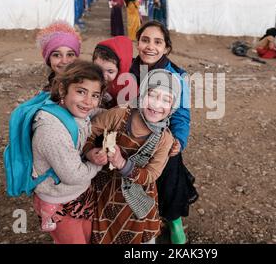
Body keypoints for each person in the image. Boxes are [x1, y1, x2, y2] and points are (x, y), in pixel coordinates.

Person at [85, 69, 180, 244]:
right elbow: (88, 131)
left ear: (173, 107)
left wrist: (122, 164)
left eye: (166, 100)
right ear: (142, 94)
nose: (157, 105)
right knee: (101, 235)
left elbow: (151, 174)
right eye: (152, 95)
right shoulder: (120, 114)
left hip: (137, 196)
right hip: (104, 191)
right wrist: (90, 152)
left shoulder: (165, 139)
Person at [130, 20, 198, 244]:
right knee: (134, 182)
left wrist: (178, 140)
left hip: (162, 140)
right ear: (138, 43)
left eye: (157, 42)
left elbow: (181, 114)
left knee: (169, 181)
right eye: (145, 40)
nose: (150, 46)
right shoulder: (128, 70)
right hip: (131, 138)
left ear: (166, 48)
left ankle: (174, 222)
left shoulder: (177, 75)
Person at [31, 60, 108, 244]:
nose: (88, 101)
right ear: (63, 89)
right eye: (81, 91)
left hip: (79, 194)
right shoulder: (51, 131)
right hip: (58, 200)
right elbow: (74, 175)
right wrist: (96, 163)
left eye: (95, 95)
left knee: (87, 236)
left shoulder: (69, 109)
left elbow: (92, 111)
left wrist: (117, 114)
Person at [35, 21, 81, 92]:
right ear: (48, 60)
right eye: (57, 55)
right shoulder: (45, 93)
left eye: (70, 55)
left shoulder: (86, 90)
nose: (64, 61)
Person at [92, 36, 137, 108]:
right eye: (98, 69)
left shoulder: (130, 85)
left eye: (110, 71)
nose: (103, 76)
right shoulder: (91, 77)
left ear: (121, 69)